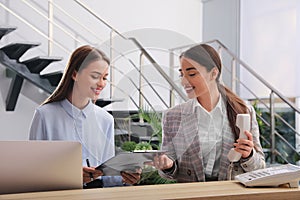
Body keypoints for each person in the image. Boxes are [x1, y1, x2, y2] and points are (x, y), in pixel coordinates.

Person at [29, 45, 141, 188]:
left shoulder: (105, 119)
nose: (101, 84)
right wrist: (70, 175)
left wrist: (125, 177)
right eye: (95, 76)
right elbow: (33, 171)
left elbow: (107, 176)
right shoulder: (44, 115)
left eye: (105, 78)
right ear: (75, 74)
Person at [153, 44, 266, 182]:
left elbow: (260, 166)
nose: (183, 81)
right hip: (192, 196)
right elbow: (166, 171)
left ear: (213, 73)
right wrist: (167, 166)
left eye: (192, 74)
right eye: (182, 74)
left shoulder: (243, 111)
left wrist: (248, 155)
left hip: (230, 195)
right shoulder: (172, 116)